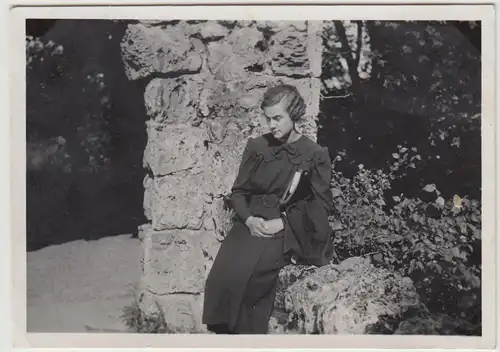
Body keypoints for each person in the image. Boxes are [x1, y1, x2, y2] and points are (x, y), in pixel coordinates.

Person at [202, 84, 334, 334]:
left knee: (254, 277)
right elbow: (239, 192)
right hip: (249, 223)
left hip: (288, 226)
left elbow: (321, 204)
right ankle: (224, 337)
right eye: (268, 118)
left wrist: (283, 222)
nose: (272, 125)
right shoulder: (257, 147)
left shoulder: (314, 154)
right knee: (222, 277)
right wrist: (249, 219)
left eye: (277, 118)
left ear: (294, 116)